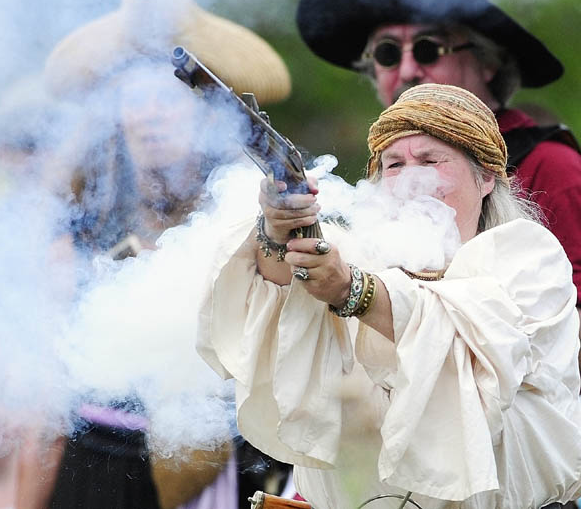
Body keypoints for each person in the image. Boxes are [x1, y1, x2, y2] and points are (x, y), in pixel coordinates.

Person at [197, 83, 581, 508]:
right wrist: (279, 228)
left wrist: (350, 290)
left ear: (486, 176)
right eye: (394, 164)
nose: (410, 177)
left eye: (431, 160)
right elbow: (278, 311)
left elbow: (465, 337)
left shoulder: (529, 259)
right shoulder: (353, 256)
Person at [16, 0, 293, 509]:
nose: (148, 116)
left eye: (167, 97)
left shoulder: (242, 214)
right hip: (93, 466)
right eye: (133, 99)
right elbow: (47, 384)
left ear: (209, 115)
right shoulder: (82, 224)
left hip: (213, 465)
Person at [295, 0, 581, 328]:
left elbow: (567, 329)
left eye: (429, 49)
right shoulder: (388, 168)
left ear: (487, 60)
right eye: (388, 53)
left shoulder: (551, 162)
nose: (409, 69)